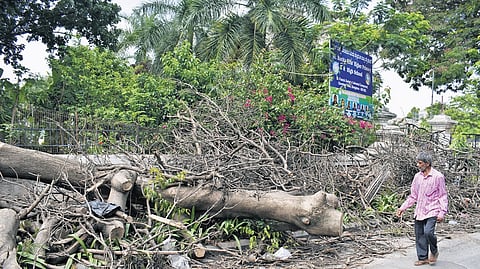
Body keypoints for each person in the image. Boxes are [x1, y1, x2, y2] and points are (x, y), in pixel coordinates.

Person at [396, 152, 448, 266]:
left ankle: (434, 251)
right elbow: (413, 196)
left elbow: (442, 195)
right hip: (420, 210)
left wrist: (442, 212)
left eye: (420, 163)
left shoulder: (438, 176)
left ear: (427, 163)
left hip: (433, 209)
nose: (418, 165)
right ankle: (423, 257)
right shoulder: (417, 177)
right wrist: (403, 207)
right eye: (417, 163)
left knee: (428, 232)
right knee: (419, 234)